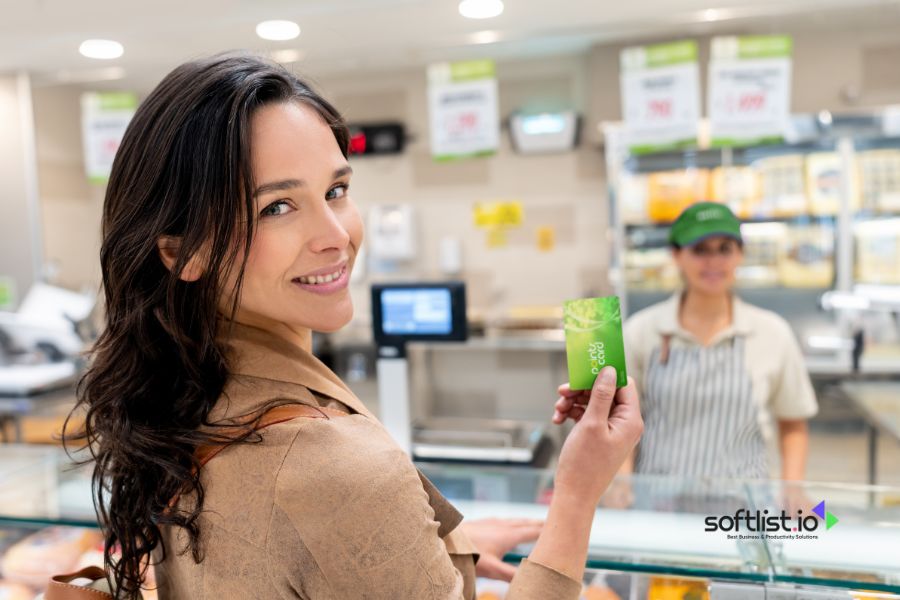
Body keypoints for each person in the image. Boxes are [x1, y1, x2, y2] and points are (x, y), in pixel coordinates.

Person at [67, 53, 643, 599]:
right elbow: (322, 504)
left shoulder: (184, 401)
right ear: (182, 253)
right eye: (277, 207)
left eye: (336, 191)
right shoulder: (332, 465)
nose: (336, 235)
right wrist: (577, 493)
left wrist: (436, 550)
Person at [616, 202, 818, 491]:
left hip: (744, 507)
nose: (714, 261)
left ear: (740, 255)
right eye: (700, 250)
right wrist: (621, 485)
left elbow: (793, 423)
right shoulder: (642, 331)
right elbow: (623, 424)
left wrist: (793, 490)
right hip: (658, 503)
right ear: (676, 255)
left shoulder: (772, 333)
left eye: (725, 248)